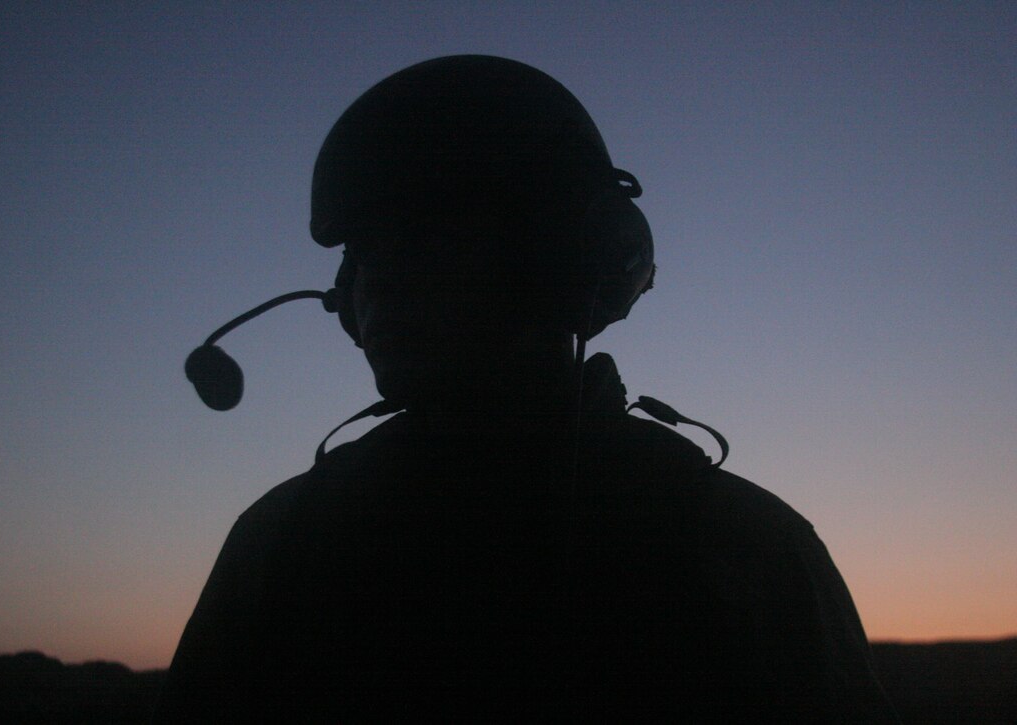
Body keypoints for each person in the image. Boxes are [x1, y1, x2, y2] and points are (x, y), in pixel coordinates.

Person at [157, 55, 898, 721]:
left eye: (428, 235)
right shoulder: (286, 537)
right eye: (363, 254)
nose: (375, 284)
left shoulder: (737, 547)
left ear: (566, 252)